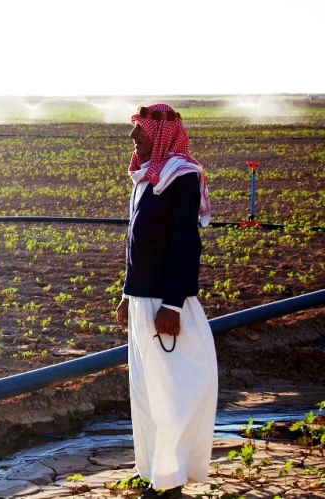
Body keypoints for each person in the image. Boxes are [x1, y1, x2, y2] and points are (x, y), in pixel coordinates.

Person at [115, 103, 217, 499]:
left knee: (178, 388)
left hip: (164, 304)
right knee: (147, 392)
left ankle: (172, 479)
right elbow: (135, 244)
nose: (133, 137)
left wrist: (172, 306)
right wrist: (127, 295)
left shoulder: (181, 177)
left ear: (160, 135)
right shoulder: (145, 178)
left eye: (139, 131)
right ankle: (156, 474)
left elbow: (185, 244)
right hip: (142, 300)